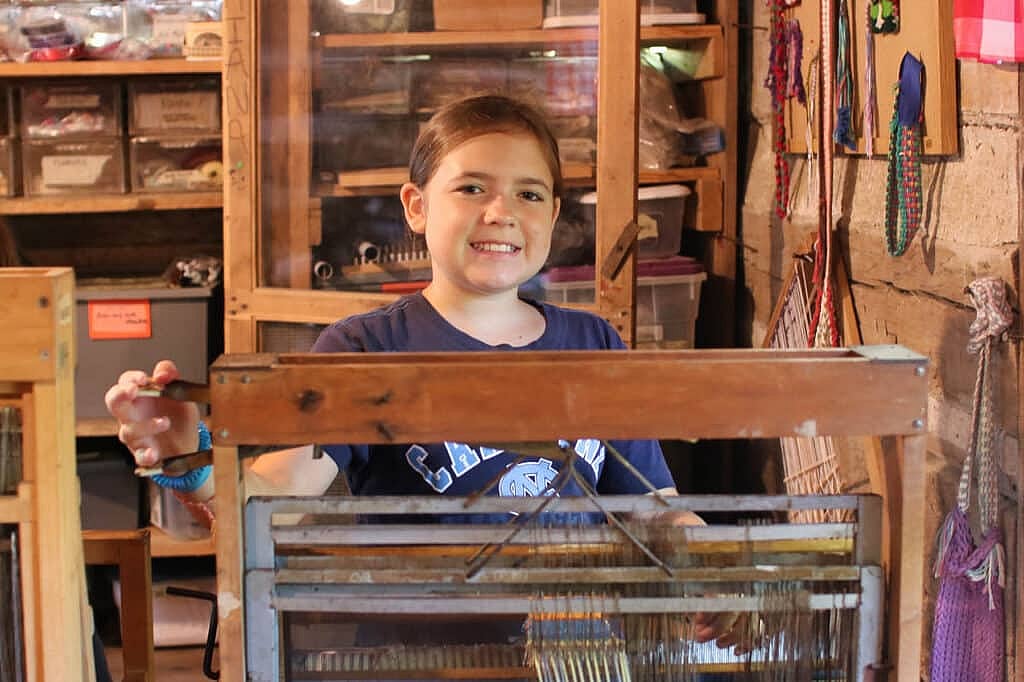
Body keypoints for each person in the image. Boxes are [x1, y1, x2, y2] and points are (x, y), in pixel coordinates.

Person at [105, 94, 737, 649]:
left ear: (553, 214)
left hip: (576, 658)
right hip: (413, 660)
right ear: (415, 206)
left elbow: (653, 509)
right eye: (471, 188)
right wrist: (192, 461)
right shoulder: (366, 347)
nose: (501, 211)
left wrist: (711, 565)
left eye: (530, 192)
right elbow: (282, 493)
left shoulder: (594, 344)